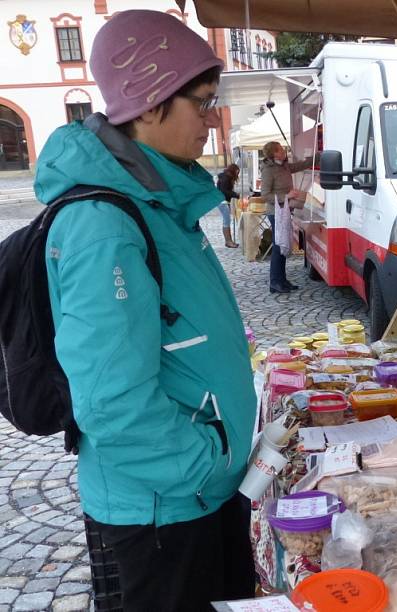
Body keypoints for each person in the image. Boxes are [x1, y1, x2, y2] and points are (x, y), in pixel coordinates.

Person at [37, 10, 256, 609]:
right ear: (151, 102)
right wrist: (205, 465)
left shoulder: (161, 198)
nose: (212, 122)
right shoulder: (105, 226)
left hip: (194, 497)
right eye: (203, 103)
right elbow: (110, 400)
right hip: (164, 510)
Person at [260, 141, 312, 293]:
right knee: (278, 246)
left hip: (285, 210)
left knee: (283, 246)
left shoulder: (284, 165)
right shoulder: (268, 170)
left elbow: (300, 166)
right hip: (275, 212)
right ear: (274, 153)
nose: (284, 151)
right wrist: (286, 196)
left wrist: (317, 157)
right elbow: (265, 195)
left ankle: (281, 280)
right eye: (281, 150)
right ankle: (275, 282)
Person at [217, 163, 240, 247]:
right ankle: (228, 241)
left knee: (227, 221)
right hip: (222, 202)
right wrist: (236, 195)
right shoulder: (225, 178)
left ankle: (229, 241)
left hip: (224, 201)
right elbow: (224, 191)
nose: (238, 174)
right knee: (226, 221)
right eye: (237, 172)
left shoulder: (226, 177)